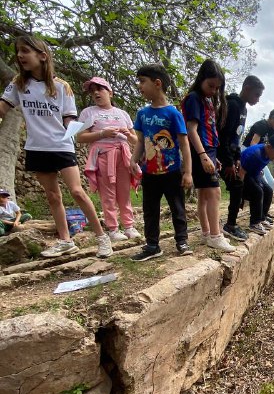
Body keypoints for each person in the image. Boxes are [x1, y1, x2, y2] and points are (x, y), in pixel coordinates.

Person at [0, 34, 113, 258]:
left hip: (61, 145)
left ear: (42, 56)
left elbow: (68, 117)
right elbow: (3, 107)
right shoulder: (18, 84)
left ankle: (102, 237)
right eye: (18, 51)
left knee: (77, 191)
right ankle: (65, 241)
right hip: (36, 147)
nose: (20, 55)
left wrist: (76, 127)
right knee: (53, 196)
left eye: (25, 51)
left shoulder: (62, 87)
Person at [130, 64, 193, 261]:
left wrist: (188, 172)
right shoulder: (142, 114)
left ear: (157, 83)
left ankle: (182, 241)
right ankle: (152, 245)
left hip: (172, 172)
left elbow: (184, 144)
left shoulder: (173, 114)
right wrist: (133, 160)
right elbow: (140, 141)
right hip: (149, 172)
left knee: (177, 208)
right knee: (150, 210)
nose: (139, 86)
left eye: (143, 81)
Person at [78, 76, 141, 242]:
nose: (96, 93)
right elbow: (80, 137)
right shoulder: (88, 113)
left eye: (100, 89)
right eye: (92, 91)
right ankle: (113, 229)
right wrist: (102, 133)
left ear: (110, 93)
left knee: (124, 192)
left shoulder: (122, 114)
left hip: (123, 155)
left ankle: (129, 226)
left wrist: (128, 135)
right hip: (103, 156)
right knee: (108, 194)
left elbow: (135, 140)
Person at [181, 60, 235, 253]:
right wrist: (203, 155)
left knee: (204, 194)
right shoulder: (194, 98)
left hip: (208, 151)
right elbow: (191, 130)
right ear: (201, 80)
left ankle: (206, 233)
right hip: (200, 151)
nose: (213, 90)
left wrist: (212, 156)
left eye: (217, 88)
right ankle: (215, 235)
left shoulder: (206, 99)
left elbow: (208, 128)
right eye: (211, 86)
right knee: (214, 192)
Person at [218, 75, 264, 243]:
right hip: (220, 156)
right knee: (237, 186)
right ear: (246, 89)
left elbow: (236, 138)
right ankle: (229, 225)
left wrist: (237, 158)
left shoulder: (243, 109)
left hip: (232, 156)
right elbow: (223, 136)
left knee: (241, 187)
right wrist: (228, 162)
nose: (257, 99)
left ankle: (231, 223)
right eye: (256, 95)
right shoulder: (232, 106)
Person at [239, 134, 274, 235]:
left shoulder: (268, 153)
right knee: (258, 191)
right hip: (243, 174)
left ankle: (262, 218)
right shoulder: (255, 154)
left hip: (254, 173)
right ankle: (254, 223)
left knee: (268, 190)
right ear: (269, 147)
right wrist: (239, 192)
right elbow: (241, 172)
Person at [242, 108, 274, 191]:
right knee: (262, 184)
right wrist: (258, 166)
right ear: (272, 117)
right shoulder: (261, 125)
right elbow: (253, 144)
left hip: (261, 156)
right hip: (248, 153)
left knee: (271, 184)